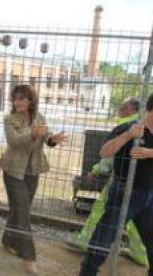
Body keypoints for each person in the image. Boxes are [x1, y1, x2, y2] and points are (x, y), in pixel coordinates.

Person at [79, 94, 153, 276]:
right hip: (125, 191)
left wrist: (149, 153)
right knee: (104, 239)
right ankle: (87, 272)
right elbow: (105, 152)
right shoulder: (129, 127)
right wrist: (128, 136)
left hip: (150, 195)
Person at [0, 85, 67, 274]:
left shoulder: (39, 117)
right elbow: (14, 141)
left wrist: (53, 139)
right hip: (13, 171)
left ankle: (7, 239)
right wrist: (32, 134)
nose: (18, 102)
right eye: (15, 98)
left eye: (22, 98)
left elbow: (46, 139)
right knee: (23, 213)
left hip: (32, 171)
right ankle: (28, 257)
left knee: (20, 210)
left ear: (31, 101)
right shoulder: (9, 119)